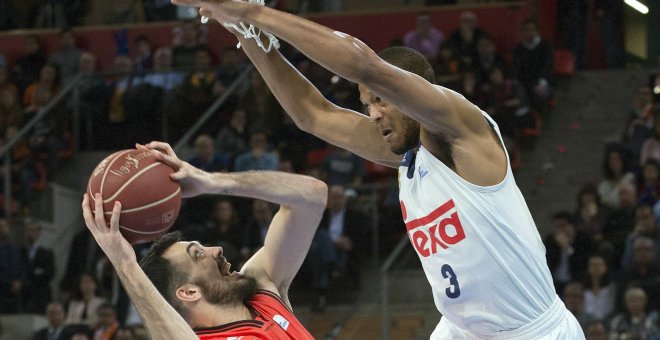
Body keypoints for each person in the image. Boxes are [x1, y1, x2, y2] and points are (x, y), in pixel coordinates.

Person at [181, 1, 584, 338]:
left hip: (534, 332)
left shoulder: (462, 132)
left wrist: (250, 10)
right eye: (365, 103)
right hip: (462, 329)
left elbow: (364, 65)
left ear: (410, 90)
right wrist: (241, 29)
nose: (372, 113)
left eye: (380, 100)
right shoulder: (404, 153)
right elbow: (312, 114)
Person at [81, 141, 327, 339]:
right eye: (198, 254)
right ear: (188, 292)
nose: (217, 249)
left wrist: (212, 181)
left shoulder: (261, 289)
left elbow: (312, 196)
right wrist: (125, 264)